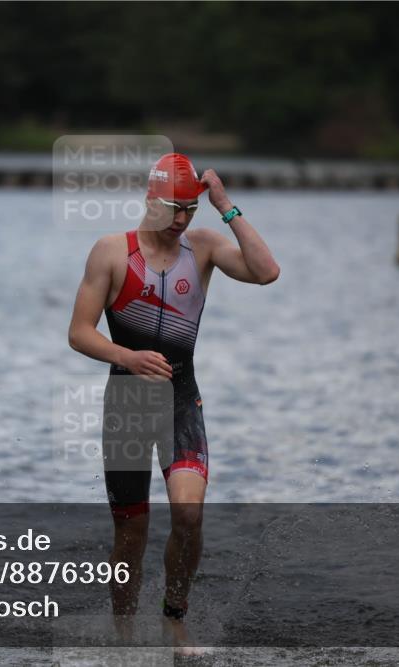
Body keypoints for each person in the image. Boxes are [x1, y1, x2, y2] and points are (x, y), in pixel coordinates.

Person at [67, 153, 280, 654]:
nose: (182, 219)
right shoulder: (111, 252)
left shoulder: (202, 248)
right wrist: (128, 356)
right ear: (149, 199)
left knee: (188, 514)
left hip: (182, 400)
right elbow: (78, 333)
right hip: (127, 403)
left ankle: (173, 622)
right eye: (173, 208)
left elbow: (267, 271)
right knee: (131, 533)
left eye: (191, 209)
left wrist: (226, 205)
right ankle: (123, 640)